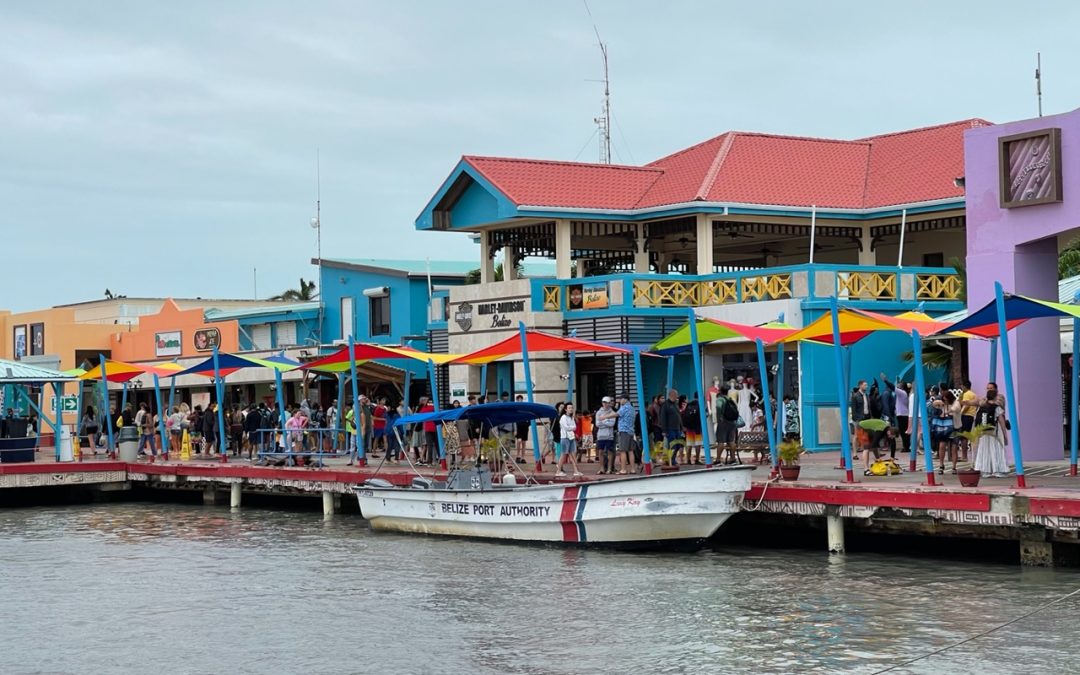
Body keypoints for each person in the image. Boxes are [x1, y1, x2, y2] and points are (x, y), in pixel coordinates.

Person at [974, 385, 1010, 477]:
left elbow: (977, 420)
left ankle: (984, 471)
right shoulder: (997, 408)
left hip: (984, 432)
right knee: (997, 449)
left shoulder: (981, 408)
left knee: (984, 450)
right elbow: (1002, 422)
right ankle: (998, 470)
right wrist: (1005, 436)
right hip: (995, 432)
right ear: (995, 397)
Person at [930, 389, 959, 474]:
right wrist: (940, 403)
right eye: (943, 399)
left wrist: (948, 411)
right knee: (942, 445)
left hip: (955, 427)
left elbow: (956, 408)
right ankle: (941, 465)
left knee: (954, 447)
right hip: (944, 427)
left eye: (946, 399)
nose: (945, 400)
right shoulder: (942, 404)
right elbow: (934, 404)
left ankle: (954, 467)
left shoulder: (955, 403)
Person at [555, 403, 582, 477]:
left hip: (571, 437)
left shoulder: (571, 417)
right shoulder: (563, 417)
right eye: (569, 408)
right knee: (563, 455)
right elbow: (566, 427)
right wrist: (571, 427)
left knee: (573, 454)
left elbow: (575, 427)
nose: (571, 409)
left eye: (572, 408)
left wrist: (571, 427)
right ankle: (558, 471)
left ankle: (576, 471)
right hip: (565, 438)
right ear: (566, 409)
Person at [715, 385, 740, 465]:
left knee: (721, 442)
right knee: (731, 441)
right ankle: (733, 459)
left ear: (720, 391)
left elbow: (718, 407)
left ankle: (718, 460)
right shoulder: (730, 400)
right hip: (732, 423)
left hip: (724, 422)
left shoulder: (720, 399)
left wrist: (719, 417)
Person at [659, 388, 683, 467]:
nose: (677, 396)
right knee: (673, 445)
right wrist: (664, 430)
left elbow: (679, 416)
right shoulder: (665, 405)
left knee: (678, 445)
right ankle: (671, 460)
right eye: (676, 394)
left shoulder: (675, 404)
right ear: (672, 395)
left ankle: (673, 459)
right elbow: (663, 418)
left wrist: (681, 427)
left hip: (677, 429)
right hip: (670, 429)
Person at [594, 396, 618, 474]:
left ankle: (609, 468)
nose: (606, 404)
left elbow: (612, 424)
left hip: (609, 435)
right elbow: (597, 424)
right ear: (602, 403)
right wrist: (606, 421)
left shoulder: (612, 412)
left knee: (610, 452)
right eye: (604, 402)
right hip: (600, 435)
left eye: (607, 403)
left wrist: (603, 420)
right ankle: (602, 468)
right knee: (600, 452)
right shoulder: (598, 412)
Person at [615, 392, 637, 474]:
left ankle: (623, 469)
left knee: (623, 451)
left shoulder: (624, 407)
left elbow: (617, 414)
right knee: (631, 451)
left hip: (624, 431)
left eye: (621, 399)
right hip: (631, 431)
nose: (620, 400)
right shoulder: (631, 408)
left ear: (625, 399)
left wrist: (604, 417)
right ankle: (633, 469)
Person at [959, 379, 977, 462]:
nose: (961, 387)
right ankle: (965, 455)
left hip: (966, 416)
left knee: (963, 436)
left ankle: (964, 456)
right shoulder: (973, 394)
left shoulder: (966, 394)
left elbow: (966, 406)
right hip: (971, 416)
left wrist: (960, 413)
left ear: (964, 386)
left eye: (962, 386)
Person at [682, 394, 703, 465]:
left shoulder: (689, 404)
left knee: (689, 444)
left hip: (689, 428)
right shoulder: (700, 405)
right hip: (697, 428)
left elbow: (684, 415)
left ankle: (688, 460)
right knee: (698, 444)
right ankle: (697, 459)